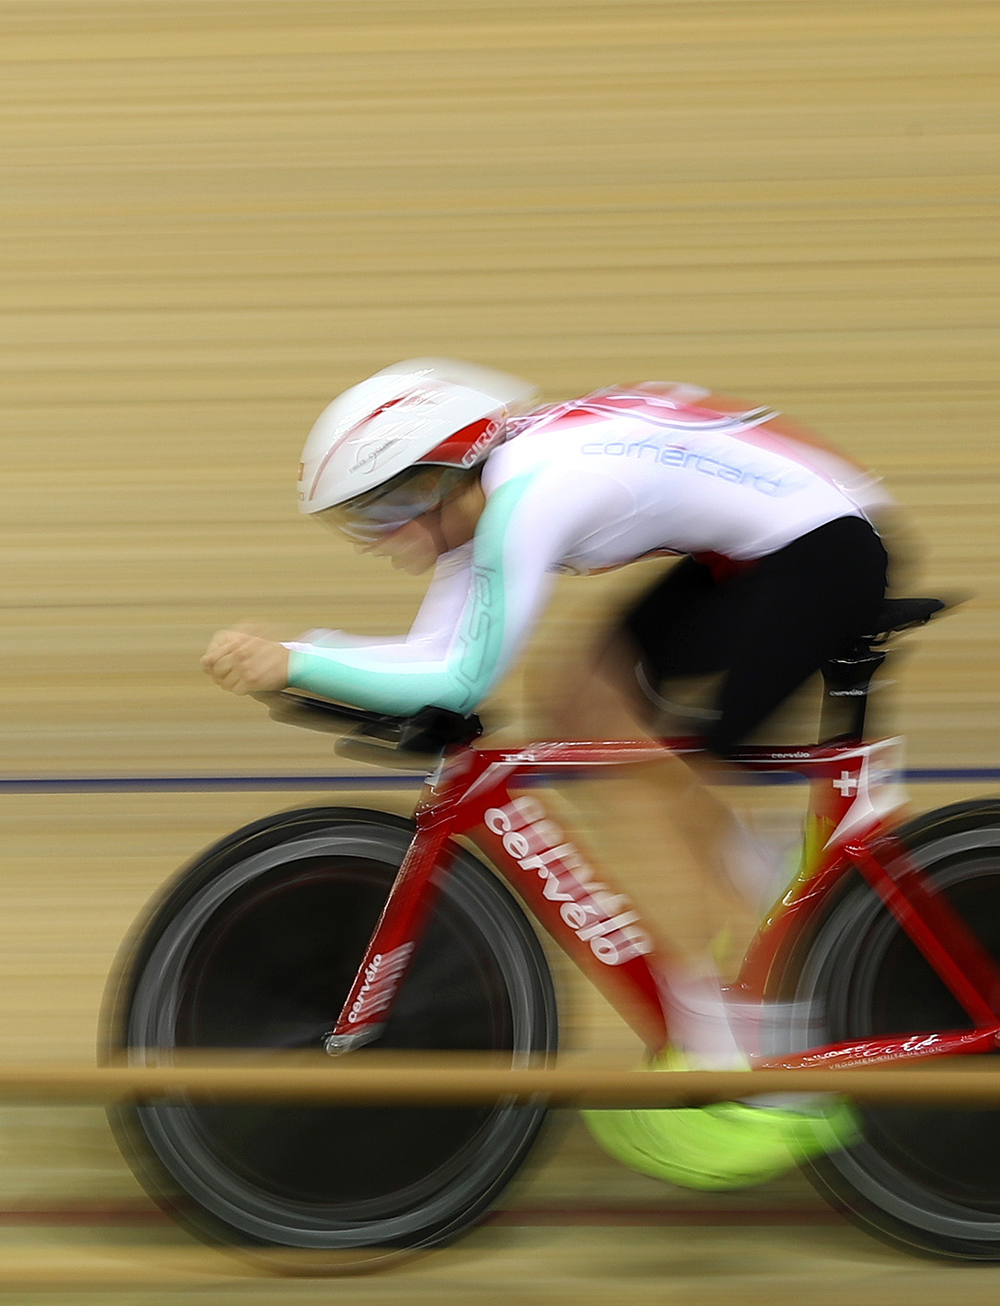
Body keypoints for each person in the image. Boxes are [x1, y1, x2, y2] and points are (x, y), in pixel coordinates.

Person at [201, 358, 890, 1189]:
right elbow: (439, 658)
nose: (379, 539)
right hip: (764, 545)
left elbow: (457, 678)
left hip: (820, 546)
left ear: (443, 474)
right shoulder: (484, 497)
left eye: (385, 508)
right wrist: (310, 665)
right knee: (585, 708)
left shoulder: (533, 491)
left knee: (654, 771)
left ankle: (760, 1056)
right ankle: (772, 893)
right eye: (359, 523)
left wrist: (295, 661)